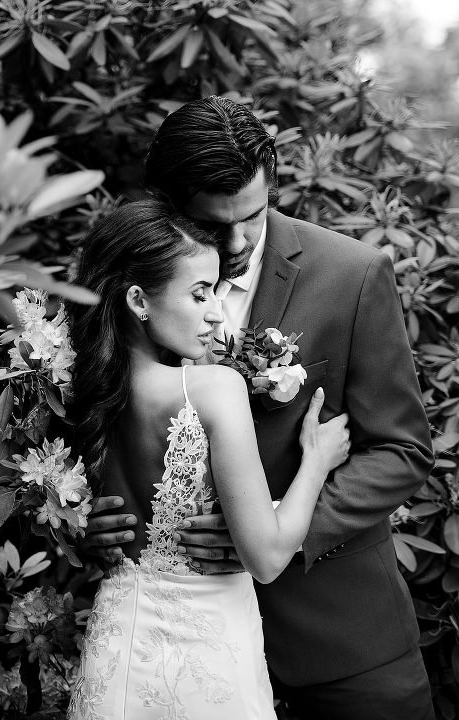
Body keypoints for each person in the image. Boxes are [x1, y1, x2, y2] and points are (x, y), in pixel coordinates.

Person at [86, 96, 435, 719]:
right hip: (181, 661)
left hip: (341, 647)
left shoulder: (352, 276)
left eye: (254, 214)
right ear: (166, 204)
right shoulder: (125, 286)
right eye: (216, 225)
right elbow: (98, 424)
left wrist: (275, 525)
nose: (239, 240)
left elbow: (403, 448)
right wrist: (91, 520)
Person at [65, 199, 350, 719]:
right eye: (199, 295)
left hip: (116, 652)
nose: (216, 314)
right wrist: (316, 460)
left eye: (217, 292)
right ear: (138, 300)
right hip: (208, 662)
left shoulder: (81, 393)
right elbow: (265, 558)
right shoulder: (213, 389)